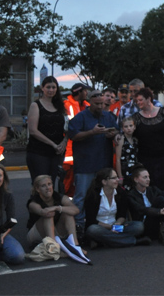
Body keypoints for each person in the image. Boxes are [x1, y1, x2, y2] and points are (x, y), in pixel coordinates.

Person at [68, 90, 119, 232]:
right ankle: (79, 227)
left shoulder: (108, 116)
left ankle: (101, 224)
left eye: (102, 103)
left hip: (104, 164)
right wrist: (92, 132)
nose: (100, 106)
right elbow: (73, 135)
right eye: (97, 104)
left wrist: (112, 134)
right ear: (90, 102)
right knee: (81, 196)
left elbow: (117, 131)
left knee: (103, 196)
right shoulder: (81, 117)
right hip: (85, 164)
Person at [131, 88, 164, 200]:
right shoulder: (136, 118)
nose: (138, 102)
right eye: (137, 101)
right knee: (152, 189)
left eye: (140, 100)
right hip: (147, 160)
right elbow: (129, 134)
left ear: (149, 99)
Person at [83, 168, 149, 248]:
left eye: (117, 177)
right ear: (104, 182)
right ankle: (133, 241)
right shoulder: (93, 195)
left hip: (116, 227)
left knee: (138, 226)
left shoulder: (121, 193)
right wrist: (111, 227)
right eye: (114, 178)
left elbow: (122, 215)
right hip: (100, 227)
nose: (117, 180)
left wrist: (117, 225)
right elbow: (91, 220)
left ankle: (105, 241)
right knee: (92, 230)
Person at [26, 76, 68, 186]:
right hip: (39, 152)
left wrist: (64, 142)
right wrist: (53, 144)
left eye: (54, 87)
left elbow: (67, 127)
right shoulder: (36, 105)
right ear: (42, 88)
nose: (51, 90)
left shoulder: (60, 106)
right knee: (41, 185)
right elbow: (33, 130)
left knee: (51, 185)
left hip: (56, 153)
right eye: (48, 87)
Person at [26, 174, 80, 247]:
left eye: (49, 184)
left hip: (54, 230)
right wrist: (50, 209)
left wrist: (57, 208)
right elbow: (43, 212)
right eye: (43, 186)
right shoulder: (33, 202)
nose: (47, 188)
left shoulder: (58, 196)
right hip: (36, 235)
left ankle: (75, 245)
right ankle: (53, 247)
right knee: (49, 215)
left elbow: (76, 210)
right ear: (38, 189)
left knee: (68, 214)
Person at [63, 82, 91, 196]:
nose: (87, 93)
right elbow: (68, 128)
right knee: (67, 182)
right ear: (79, 92)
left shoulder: (87, 106)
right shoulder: (66, 105)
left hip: (83, 151)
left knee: (80, 184)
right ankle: (65, 202)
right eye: (85, 91)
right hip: (69, 151)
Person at [0, 163, 25, 265]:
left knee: (18, 256)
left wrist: (3, 235)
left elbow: (11, 220)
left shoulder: (7, 195)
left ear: (4, 178)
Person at [115, 116, 139, 189]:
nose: (129, 128)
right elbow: (117, 159)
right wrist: (120, 176)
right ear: (122, 129)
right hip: (124, 169)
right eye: (126, 126)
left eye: (131, 126)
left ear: (134, 127)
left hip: (135, 169)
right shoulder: (121, 139)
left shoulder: (135, 140)